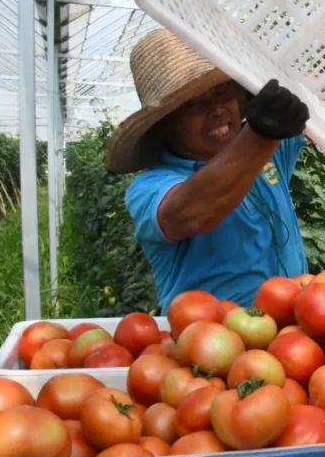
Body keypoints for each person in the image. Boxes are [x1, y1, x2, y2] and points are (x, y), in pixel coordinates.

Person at [105, 28, 311, 313]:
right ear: (165, 124)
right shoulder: (150, 187)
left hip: (293, 336)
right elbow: (188, 213)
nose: (215, 109)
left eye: (222, 92)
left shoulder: (268, 151)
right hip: (208, 349)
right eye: (191, 104)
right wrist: (260, 135)